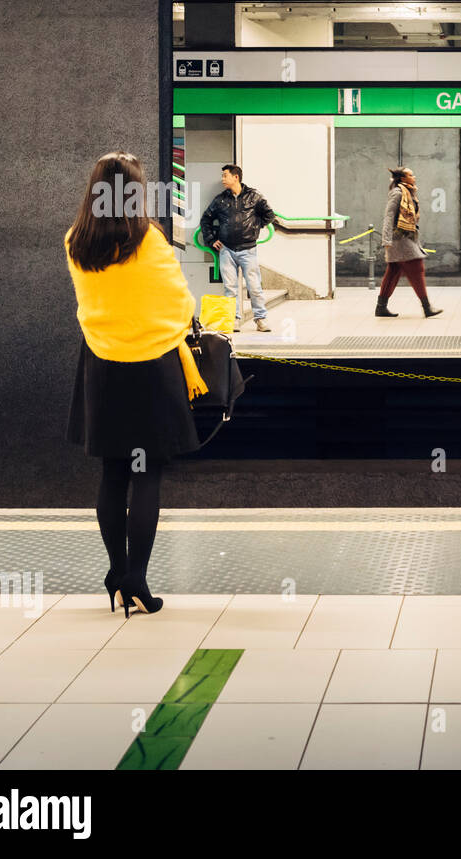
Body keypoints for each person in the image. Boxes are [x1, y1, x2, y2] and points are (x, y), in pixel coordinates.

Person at [65, 151, 208, 618]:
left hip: (102, 366)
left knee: (112, 473)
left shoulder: (75, 241)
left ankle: (116, 573)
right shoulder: (149, 240)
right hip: (151, 368)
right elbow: (178, 302)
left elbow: (93, 301)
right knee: (148, 476)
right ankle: (137, 580)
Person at [199, 164, 279, 332]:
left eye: (225, 176)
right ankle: (233, 320)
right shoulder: (220, 199)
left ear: (236, 177)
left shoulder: (254, 197)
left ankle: (260, 319)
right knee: (230, 288)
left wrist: (254, 228)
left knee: (254, 287)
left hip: (248, 249)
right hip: (226, 250)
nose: (222, 179)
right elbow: (206, 219)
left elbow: (269, 215)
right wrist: (210, 239)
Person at [376, 167, 442, 318]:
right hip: (399, 239)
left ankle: (381, 307)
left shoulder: (409, 192)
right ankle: (427, 307)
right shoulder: (398, 193)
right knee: (417, 268)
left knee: (393, 272)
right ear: (403, 179)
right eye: (411, 175)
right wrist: (386, 239)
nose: (414, 176)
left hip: (405, 237)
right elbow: (389, 216)